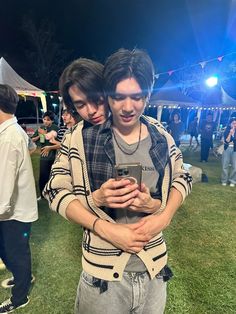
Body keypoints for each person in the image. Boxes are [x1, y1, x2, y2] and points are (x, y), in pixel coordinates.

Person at [44, 49, 192, 314]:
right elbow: (54, 190)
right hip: (103, 276)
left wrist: (162, 212)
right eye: (80, 104)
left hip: (154, 269)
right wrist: (100, 214)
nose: (126, 106)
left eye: (136, 96)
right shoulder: (80, 138)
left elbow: (182, 176)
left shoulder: (160, 136)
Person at [0, 84, 38, 313]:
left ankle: (19, 297)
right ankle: (22, 277)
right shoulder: (13, 132)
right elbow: (31, 147)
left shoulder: (8, 137)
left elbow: (4, 182)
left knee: (15, 251)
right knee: (11, 250)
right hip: (12, 208)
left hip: (12, 210)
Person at [32, 111, 59, 199]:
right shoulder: (41, 128)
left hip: (54, 157)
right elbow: (32, 139)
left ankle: (52, 194)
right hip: (44, 156)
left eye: (48, 120)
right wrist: (39, 136)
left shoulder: (55, 128)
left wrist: (44, 134)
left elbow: (58, 142)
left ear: (52, 121)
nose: (46, 121)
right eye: (44, 119)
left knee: (53, 176)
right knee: (43, 176)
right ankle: (43, 195)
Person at [221, 117, 236, 187]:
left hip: (235, 149)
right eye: (233, 123)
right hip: (227, 149)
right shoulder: (226, 131)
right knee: (225, 165)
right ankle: (224, 180)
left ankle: (232, 180)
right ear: (230, 124)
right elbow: (227, 141)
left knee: (235, 166)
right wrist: (230, 133)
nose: (234, 125)